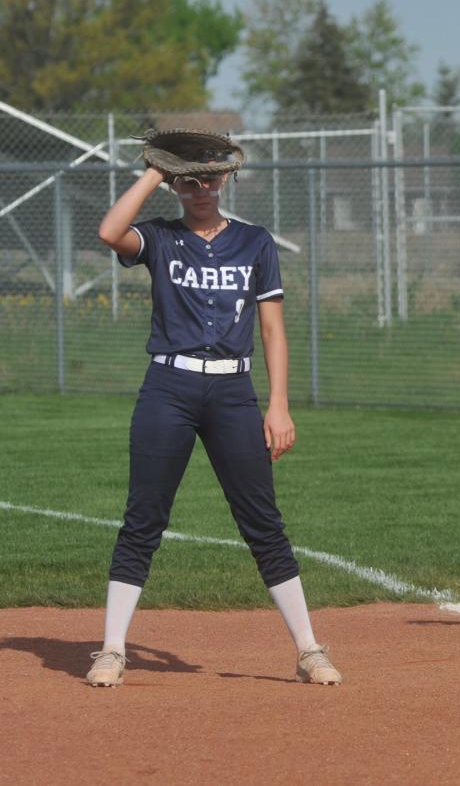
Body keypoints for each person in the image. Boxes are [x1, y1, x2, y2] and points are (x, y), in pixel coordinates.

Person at [87, 150, 341, 686]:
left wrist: (278, 404)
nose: (200, 189)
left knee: (263, 522)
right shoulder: (158, 236)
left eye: (210, 179)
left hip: (233, 391)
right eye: (188, 181)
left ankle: (309, 649)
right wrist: (157, 170)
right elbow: (111, 231)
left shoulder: (255, 241)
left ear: (226, 180)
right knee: (144, 517)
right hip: (168, 386)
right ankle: (112, 649)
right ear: (175, 186)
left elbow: (272, 329)